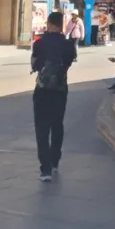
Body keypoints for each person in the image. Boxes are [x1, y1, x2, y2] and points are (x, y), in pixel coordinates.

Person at [32, 10, 77, 181]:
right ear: (62, 24)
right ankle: (55, 160)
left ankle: (45, 169)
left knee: (41, 128)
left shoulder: (40, 43)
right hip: (60, 89)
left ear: (49, 23)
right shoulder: (68, 45)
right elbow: (68, 65)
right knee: (57, 124)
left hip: (42, 90)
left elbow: (34, 65)